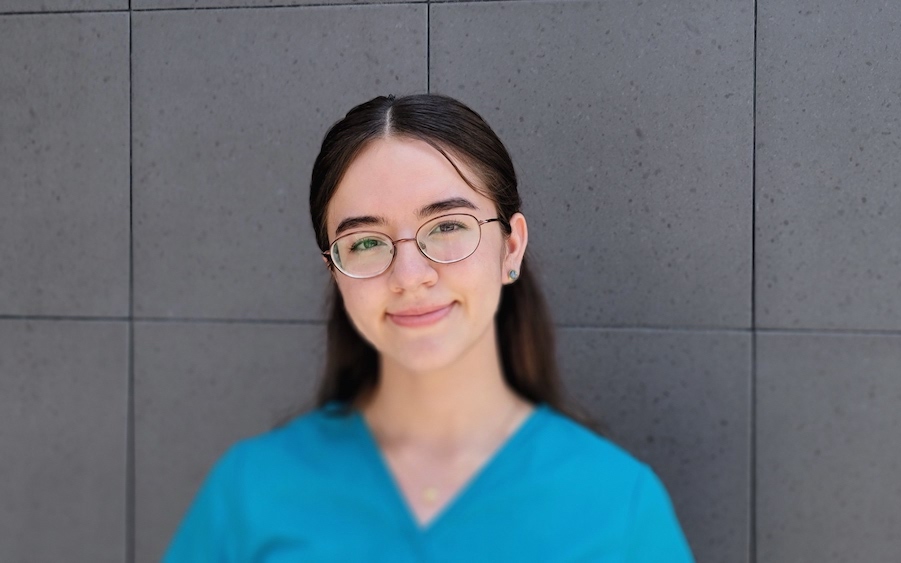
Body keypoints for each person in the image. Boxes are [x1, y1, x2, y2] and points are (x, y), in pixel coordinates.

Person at [164, 94, 694, 562]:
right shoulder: (252, 490)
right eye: (366, 242)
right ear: (335, 270)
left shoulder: (618, 504)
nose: (410, 277)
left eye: (446, 227)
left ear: (511, 246)